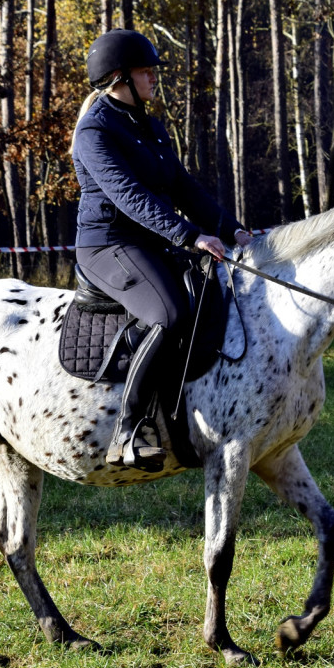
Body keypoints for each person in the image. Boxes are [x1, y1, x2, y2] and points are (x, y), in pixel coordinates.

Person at [70, 28, 253, 471]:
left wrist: (234, 231)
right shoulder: (94, 133)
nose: (154, 78)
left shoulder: (148, 127)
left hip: (151, 241)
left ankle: (183, 419)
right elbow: (129, 197)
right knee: (168, 314)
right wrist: (190, 236)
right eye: (145, 71)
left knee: (207, 298)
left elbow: (183, 188)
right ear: (120, 78)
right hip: (107, 245)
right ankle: (128, 430)